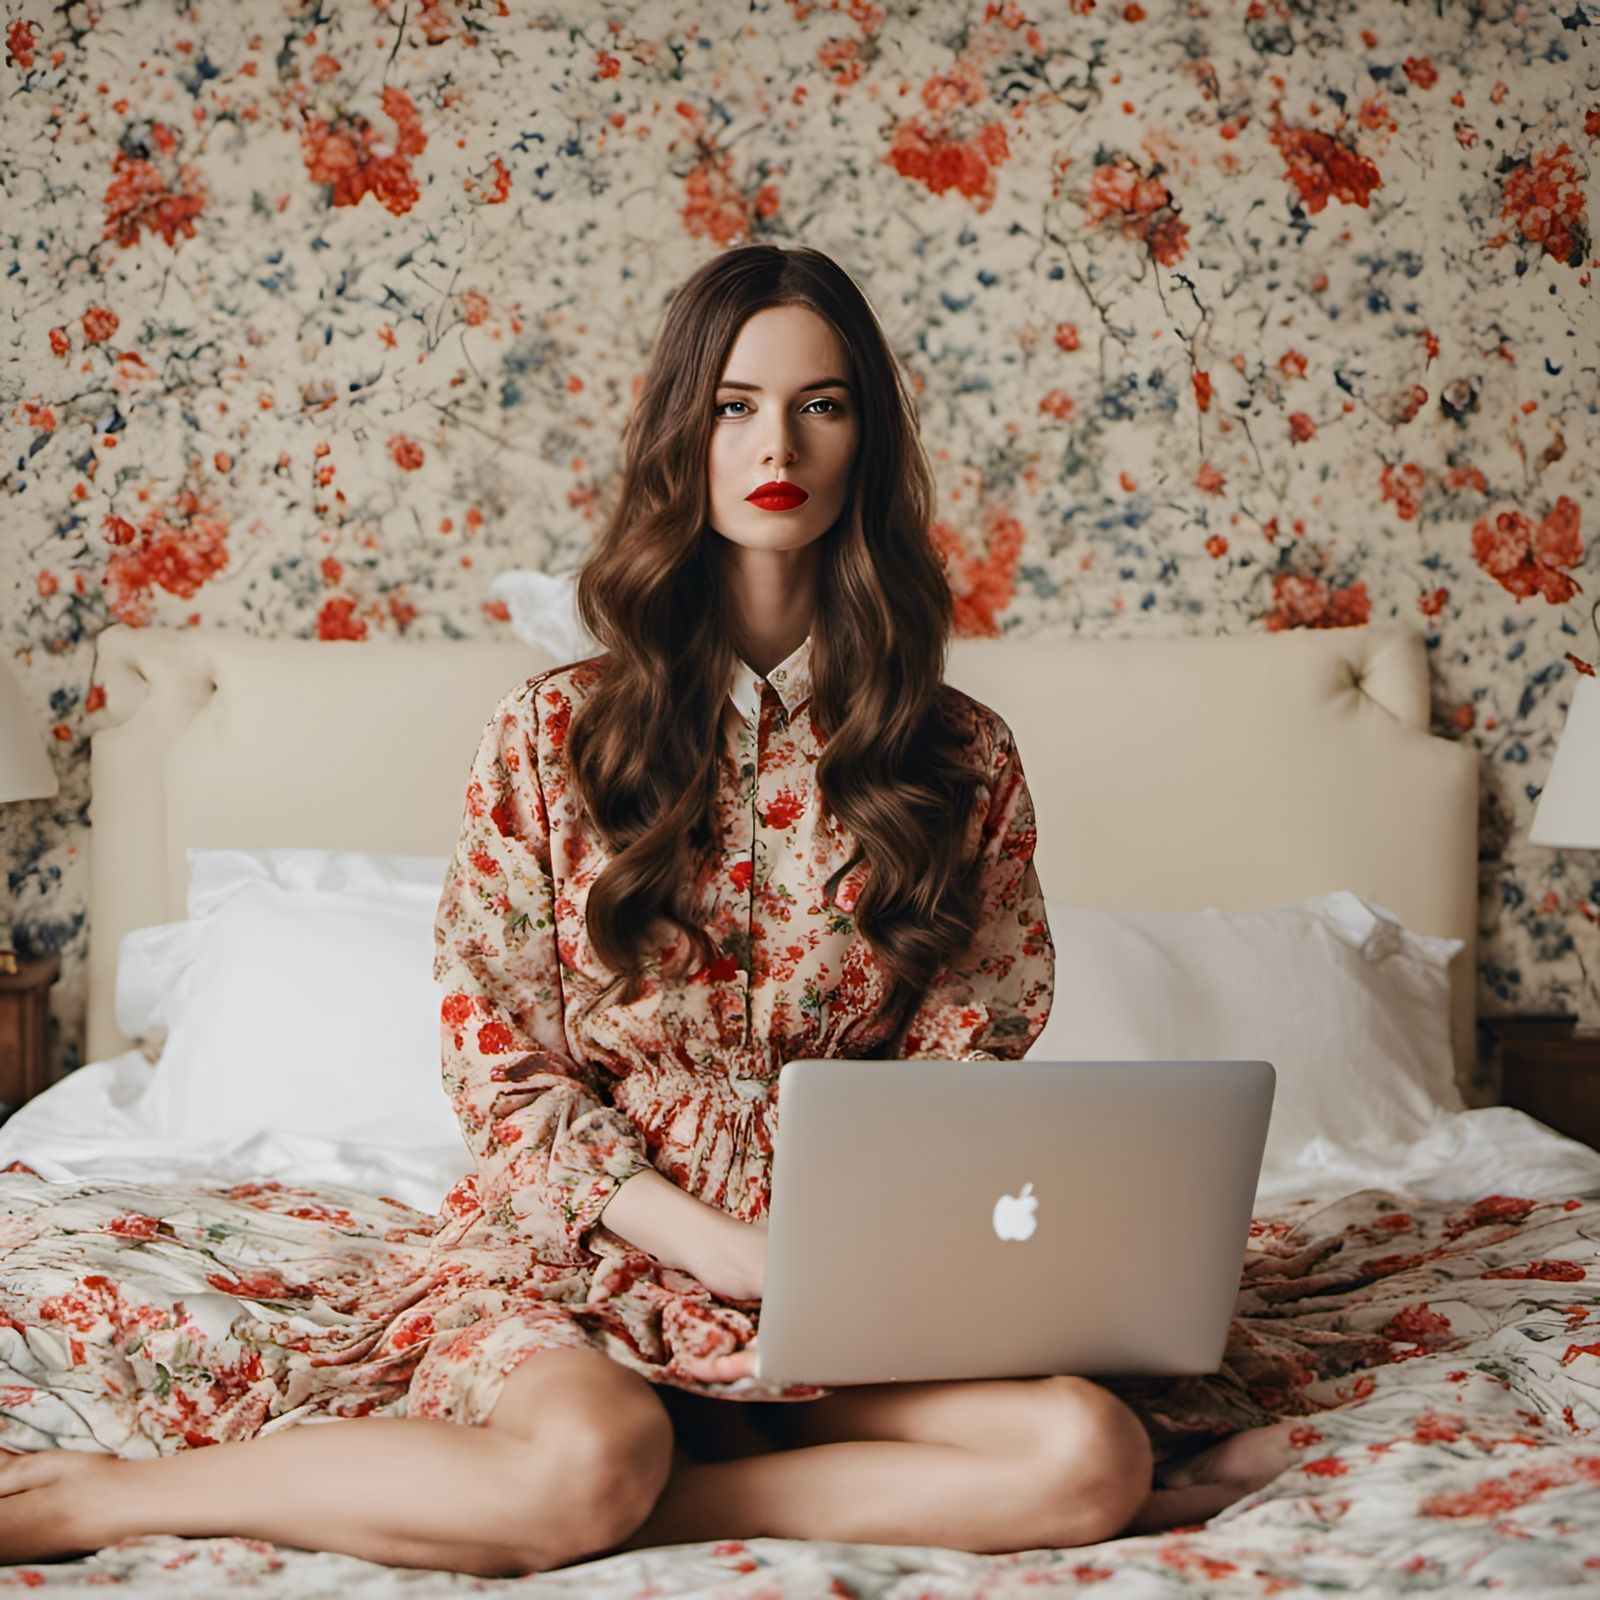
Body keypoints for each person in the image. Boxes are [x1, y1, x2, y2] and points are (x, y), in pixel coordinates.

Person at [0, 245, 1296, 1575]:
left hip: (849, 1280)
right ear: (685, 431)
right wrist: (719, 1249)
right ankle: (119, 1497)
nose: (776, 442)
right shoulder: (549, 735)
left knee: (1085, 1456)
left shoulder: (957, 755)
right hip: (591, 1247)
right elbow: (502, 1077)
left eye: (823, 404)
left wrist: (838, 1259)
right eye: (734, 404)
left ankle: (674, 1486)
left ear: (867, 439)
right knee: (584, 1461)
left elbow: (971, 1065)